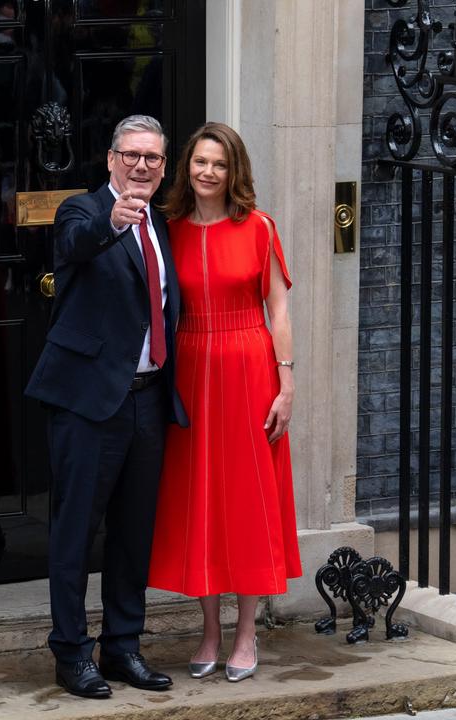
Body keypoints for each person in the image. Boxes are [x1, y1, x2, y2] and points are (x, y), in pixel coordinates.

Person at [24, 115, 188, 699]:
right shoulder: (82, 211)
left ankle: (123, 647)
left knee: (132, 534)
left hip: (147, 400)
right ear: (111, 159)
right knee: (74, 531)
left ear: (164, 166)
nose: (142, 166)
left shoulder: (163, 224)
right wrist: (111, 223)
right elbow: (74, 243)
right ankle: (72, 654)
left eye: (153, 158)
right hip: (88, 403)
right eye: (131, 155)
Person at [148, 122, 301, 682]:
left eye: (219, 164)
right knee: (200, 500)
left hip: (248, 368)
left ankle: (245, 633)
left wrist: (286, 385)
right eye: (199, 162)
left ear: (234, 171)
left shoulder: (259, 228)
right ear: (185, 168)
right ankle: (208, 631)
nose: (208, 172)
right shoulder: (169, 230)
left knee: (246, 499)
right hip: (189, 369)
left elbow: (278, 310)